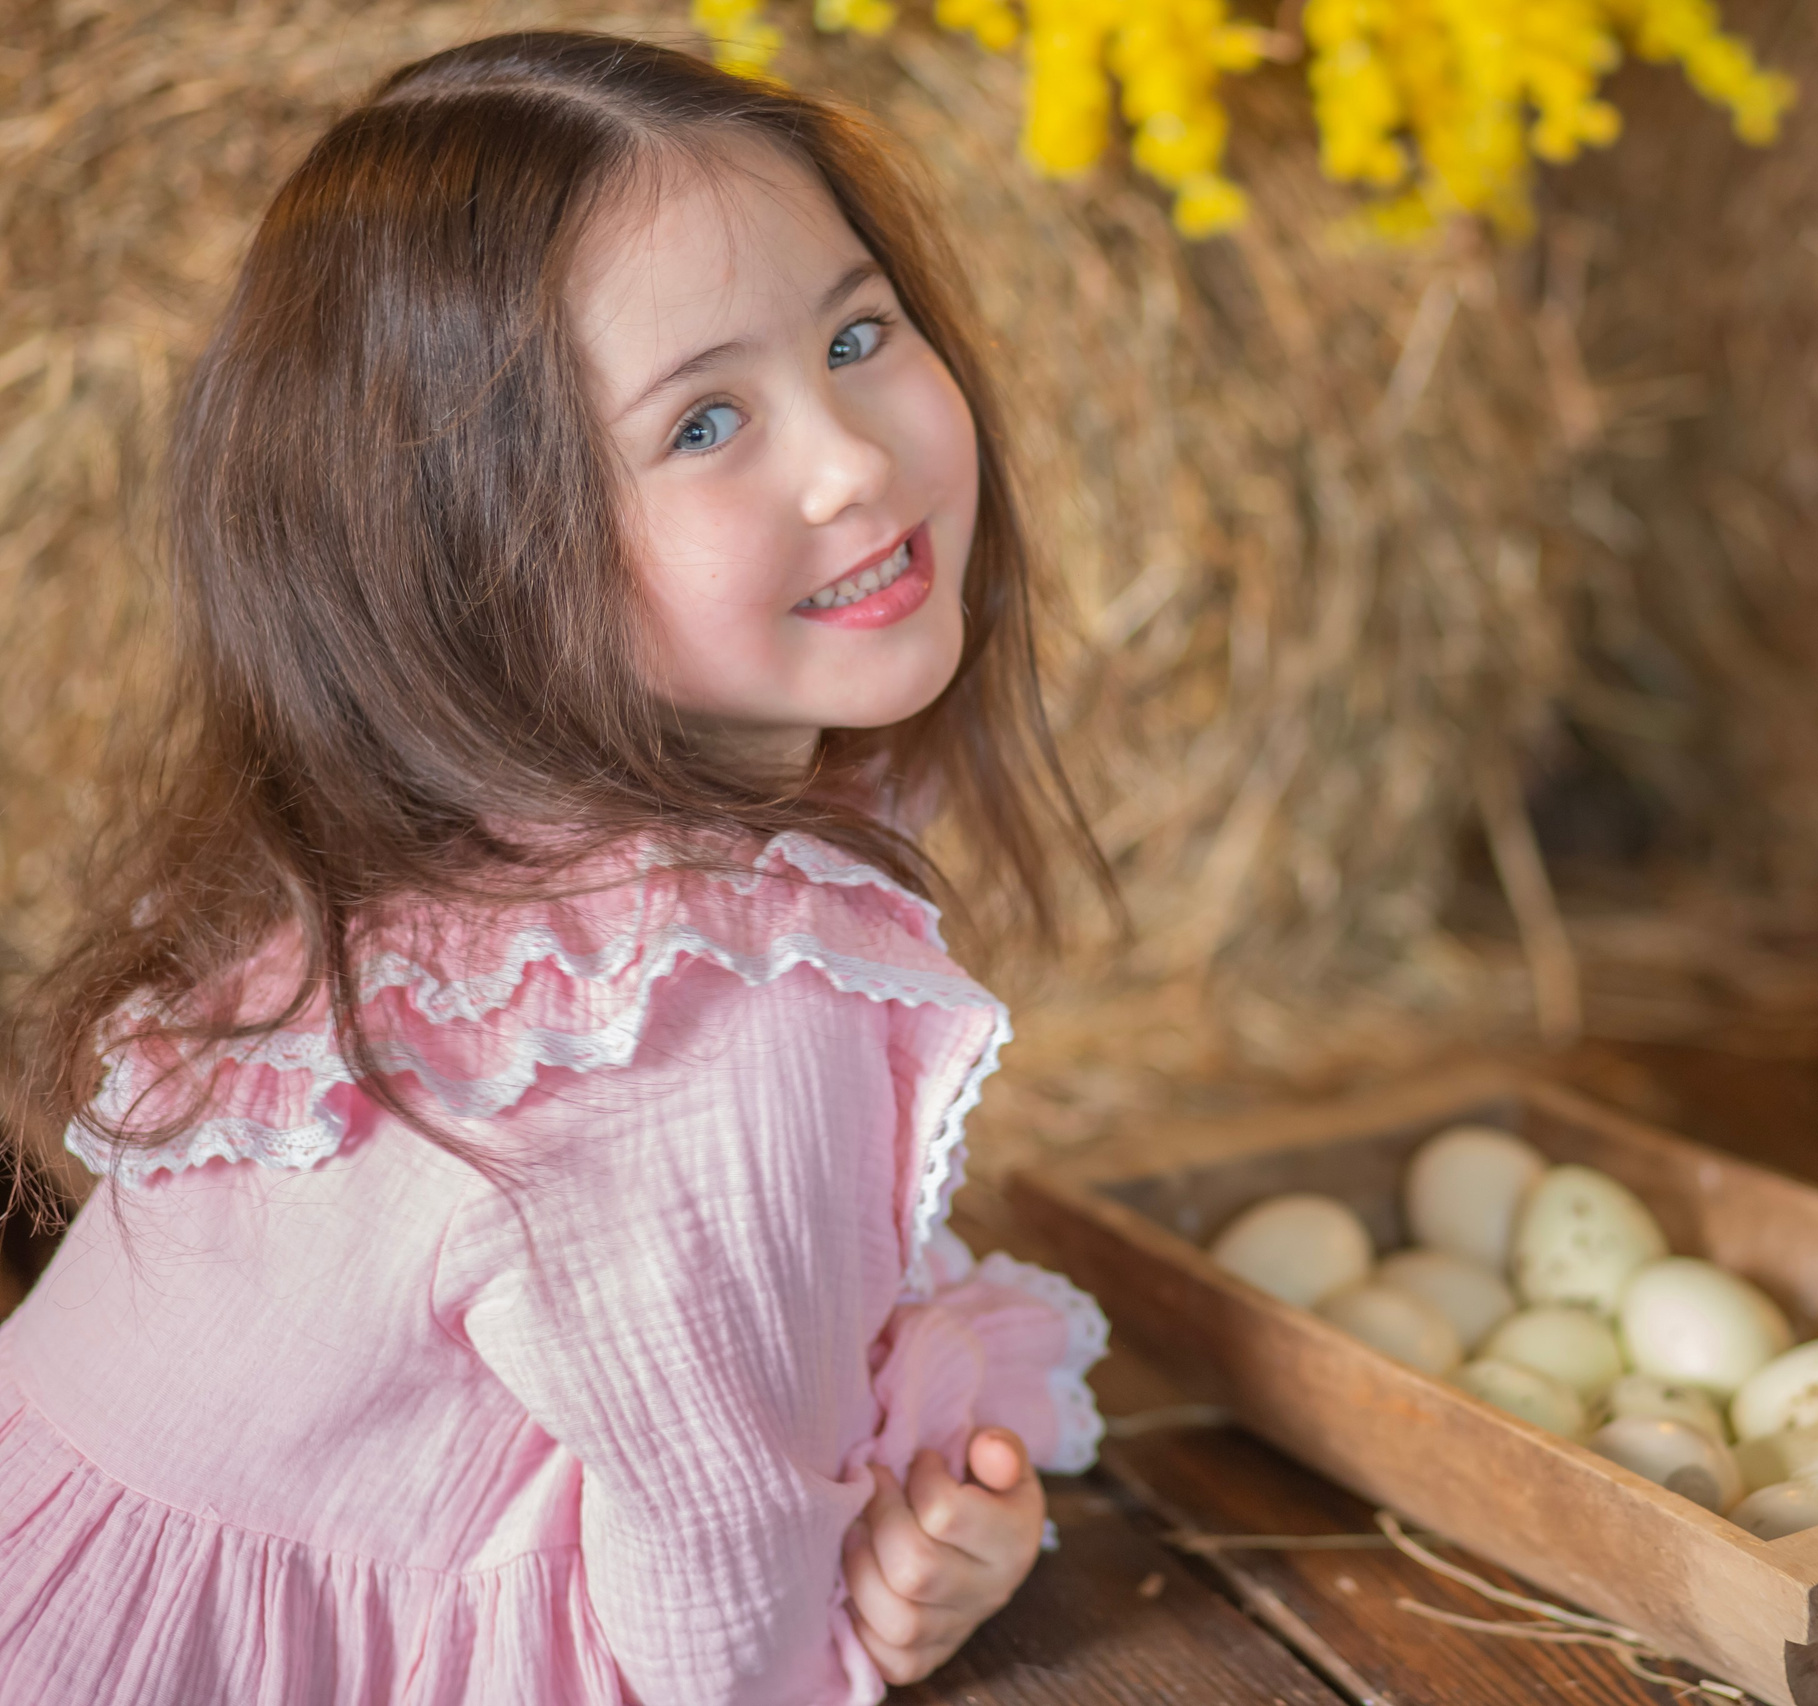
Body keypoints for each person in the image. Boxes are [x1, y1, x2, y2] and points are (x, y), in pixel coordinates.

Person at [0, 30, 1121, 1705]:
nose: (853, 462)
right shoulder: (697, 1012)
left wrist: (910, 1502)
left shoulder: (446, 863)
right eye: (706, 422)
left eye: (860, 332)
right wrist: (882, 1615)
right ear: (478, 559)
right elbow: (721, 1651)